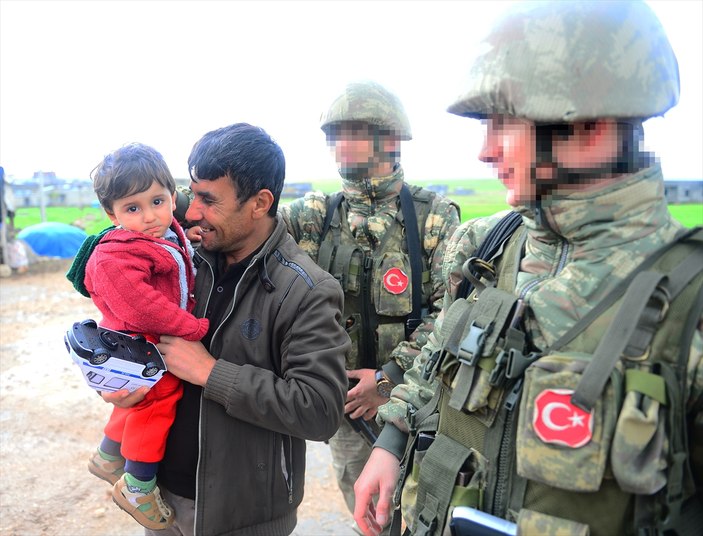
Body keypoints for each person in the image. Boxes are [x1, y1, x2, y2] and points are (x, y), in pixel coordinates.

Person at [353, 2, 702, 535]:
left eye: (503, 124)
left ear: (589, 128)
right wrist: (391, 442)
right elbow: (436, 362)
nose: (485, 152)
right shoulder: (485, 248)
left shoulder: (691, 299)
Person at [104, 123, 350, 536]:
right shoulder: (183, 259)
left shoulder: (306, 290)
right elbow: (132, 324)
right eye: (191, 193)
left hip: (243, 517)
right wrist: (117, 377)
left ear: (260, 202)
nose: (191, 211)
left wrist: (209, 372)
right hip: (161, 502)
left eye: (207, 199)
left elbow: (320, 409)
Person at [280, 80, 460, 530]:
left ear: (390, 138)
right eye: (334, 134)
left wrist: (387, 379)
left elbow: (452, 310)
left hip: (417, 400)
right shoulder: (313, 216)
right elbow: (243, 225)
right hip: (345, 411)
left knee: (425, 512)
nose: (339, 143)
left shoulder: (433, 215)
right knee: (369, 517)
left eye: (353, 131)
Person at [66, 143, 209, 530]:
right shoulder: (117, 253)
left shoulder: (161, 231)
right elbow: (143, 307)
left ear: (172, 196)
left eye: (158, 201)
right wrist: (191, 327)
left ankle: (109, 454)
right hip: (142, 345)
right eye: (133, 208)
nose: (149, 217)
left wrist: (187, 233)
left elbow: (171, 235)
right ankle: (139, 485)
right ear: (111, 214)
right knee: (157, 404)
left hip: (144, 345)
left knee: (134, 404)